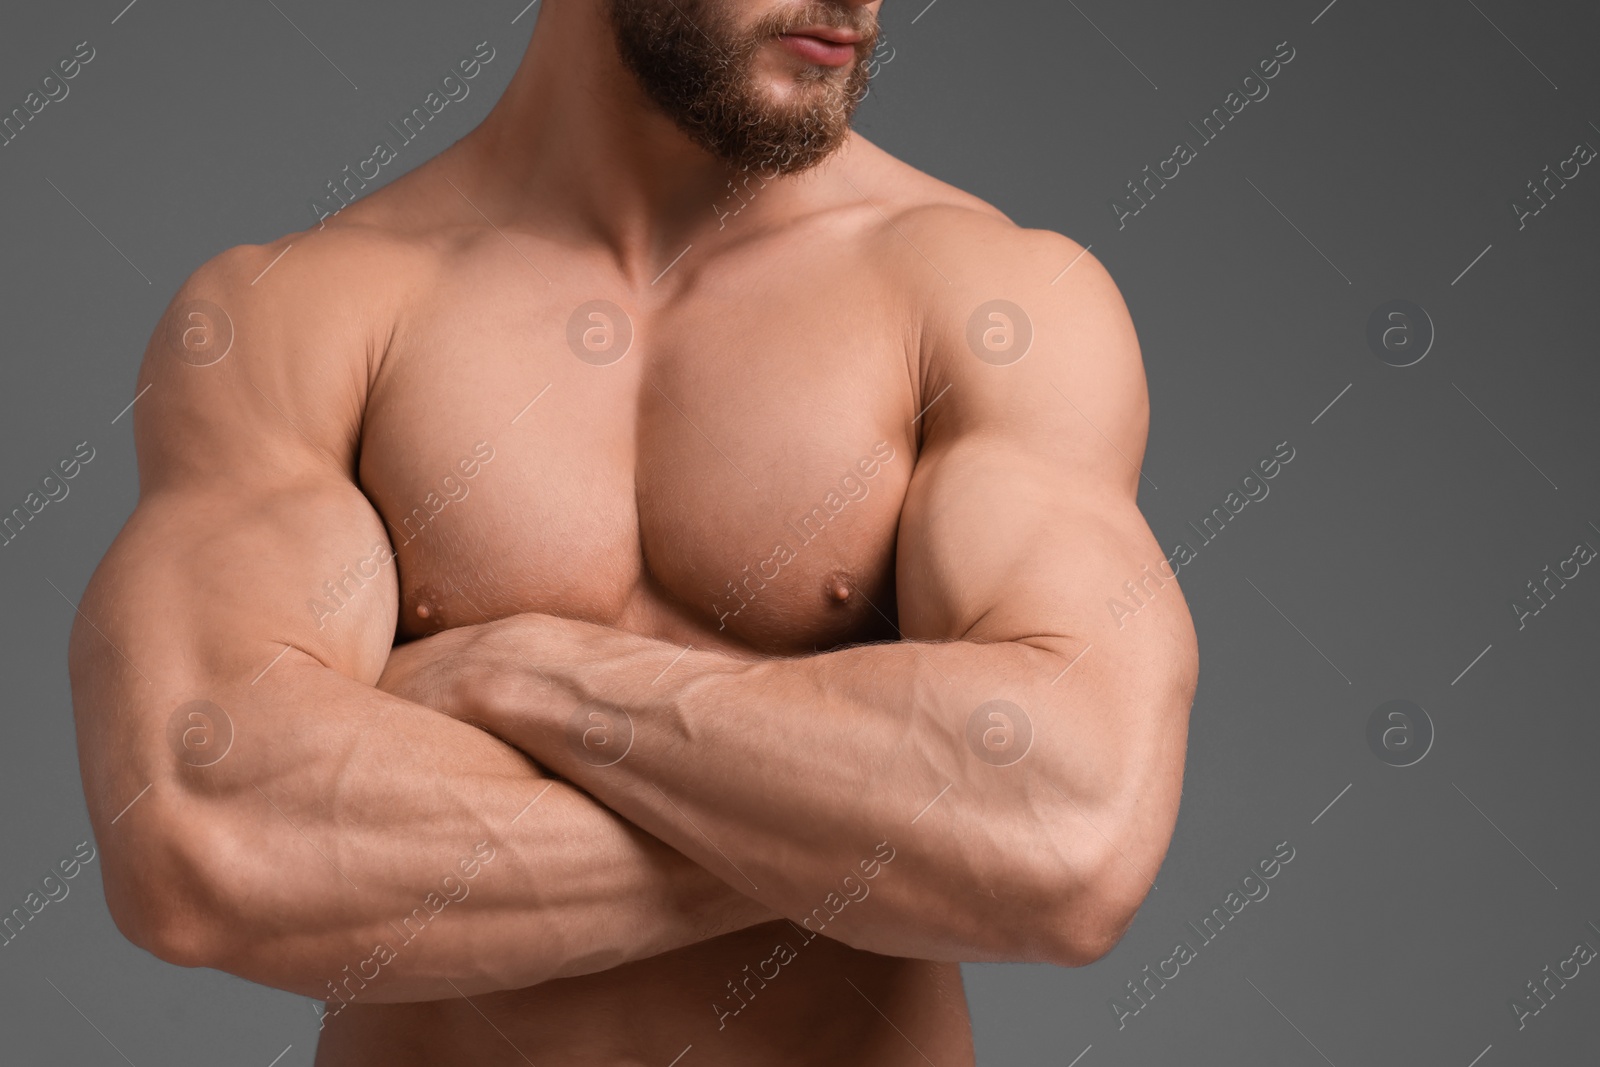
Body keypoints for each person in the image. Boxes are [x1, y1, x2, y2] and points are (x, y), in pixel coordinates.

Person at [68, 1, 1197, 1063]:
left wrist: (537, 674)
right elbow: (201, 839)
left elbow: (1063, 832)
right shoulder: (304, 316)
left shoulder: (992, 304)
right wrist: (880, 835)